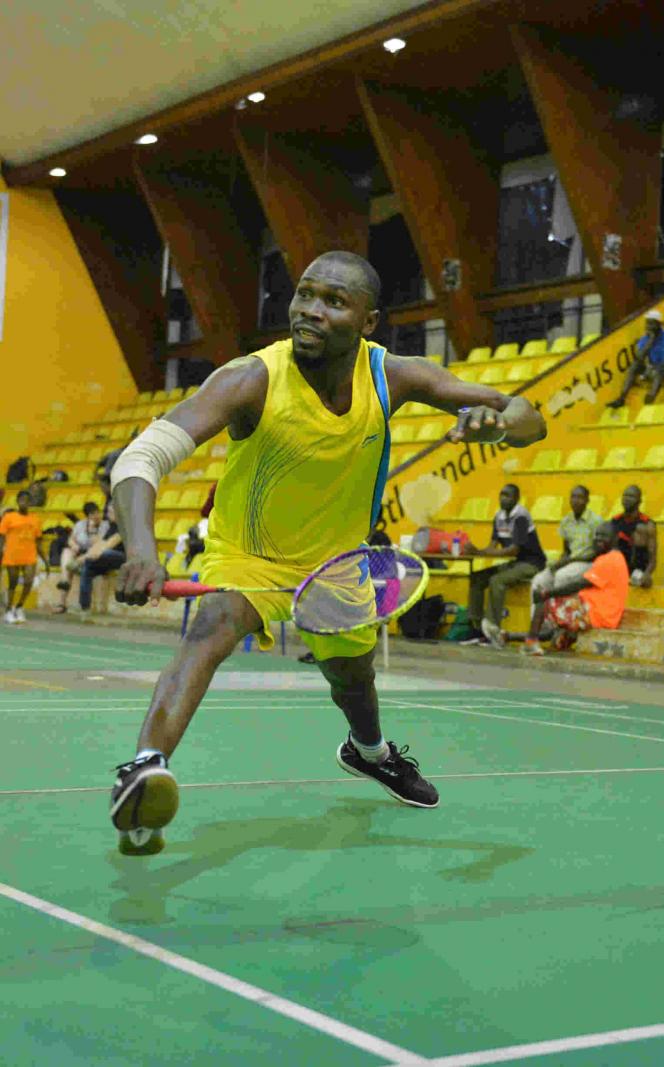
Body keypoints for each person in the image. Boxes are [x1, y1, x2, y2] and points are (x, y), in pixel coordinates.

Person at [109, 250, 546, 855]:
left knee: (353, 681)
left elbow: (529, 417)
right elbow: (141, 457)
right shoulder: (251, 379)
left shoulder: (395, 375)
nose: (310, 311)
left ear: (368, 322)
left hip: (337, 565)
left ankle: (370, 754)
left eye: (333, 301)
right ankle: (142, 774)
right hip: (250, 555)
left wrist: (495, 425)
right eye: (304, 295)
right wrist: (140, 549)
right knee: (211, 627)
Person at [460, 484, 546, 649]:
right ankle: (477, 630)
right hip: (515, 563)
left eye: (508, 496)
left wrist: (481, 553)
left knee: (497, 580)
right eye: (502, 495)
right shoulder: (498, 516)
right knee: (477, 578)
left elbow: (513, 550)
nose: (503, 499)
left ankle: (493, 630)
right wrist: (476, 551)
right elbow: (493, 546)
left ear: (516, 499)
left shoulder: (521, 517)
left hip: (532, 563)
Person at [525, 523, 628, 654]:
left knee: (544, 600)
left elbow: (580, 584)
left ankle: (531, 642)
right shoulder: (612, 557)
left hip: (596, 614)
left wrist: (547, 593)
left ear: (615, 538)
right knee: (555, 603)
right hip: (597, 611)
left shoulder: (610, 559)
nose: (598, 539)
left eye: (604, 536)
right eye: (597, 535)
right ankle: (554, 638)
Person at [528, 485, 602, 611]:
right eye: (573, 497)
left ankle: (558, 622)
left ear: (587, 500)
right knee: (539, 580)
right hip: (571, 563)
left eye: (580, 497)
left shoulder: (596, 521)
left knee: (562, 577)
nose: (576, 500)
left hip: (588, 563)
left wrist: (569, 561)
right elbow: (566, 550)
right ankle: (540, 626)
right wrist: (560, 562)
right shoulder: (566, 521)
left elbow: (596, 553)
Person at [606, 310, 664, 409]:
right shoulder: (645, 339)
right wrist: (650, 341)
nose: (648, 326)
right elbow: (639, 358)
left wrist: (656, 368)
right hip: (656, 371)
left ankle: (651, 398)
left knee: (661, 369)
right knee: (634, 366)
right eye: (647, 323)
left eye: (651, 323)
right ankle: (621, 399)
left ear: (658, 325)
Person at [0, 490, 49, 623]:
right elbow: (2, 538)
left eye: (27, 500)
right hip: (12, 555)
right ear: (17, 501)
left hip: (29, 555)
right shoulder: (8, 517)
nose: (24, 502)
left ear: (30, 502)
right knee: (13, 584)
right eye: (21, 500)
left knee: (28, 581)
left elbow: (38, 541)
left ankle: (19, 606)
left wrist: (45, 560)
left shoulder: (35, 519)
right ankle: (9, 610)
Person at [53, 501, 106, 614]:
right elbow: (71, 539)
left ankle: (62, 602)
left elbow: (98, 544)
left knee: (70, 567)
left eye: (97, 513)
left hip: (94, 555)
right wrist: (74, 545)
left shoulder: (105, 525)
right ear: (87, 516)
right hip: (79, 554)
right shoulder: (80, 525)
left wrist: (92, 529)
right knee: (67, 551)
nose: (96, 516)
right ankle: (64, 583)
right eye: (92, 514)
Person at [78, 502, 126, 621]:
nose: (107, 514)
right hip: (107, 559)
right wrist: (93, 530)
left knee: (103, 553)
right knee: (86, 570)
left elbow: (109, 545)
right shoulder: (111, 526)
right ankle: (85, 609)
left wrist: (86, 557)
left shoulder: (124, 527)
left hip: (122, 558)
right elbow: (98, 543)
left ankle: (85, 562)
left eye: (110, 512)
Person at [610, 485, 657, 588]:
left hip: (637, 574)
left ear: (639, 501)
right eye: (625, 495)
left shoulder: (648, 525)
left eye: (631, 496)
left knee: (646, 582)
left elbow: (652, 559)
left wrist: (647, 574)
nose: (627, 499)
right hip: (618, 573)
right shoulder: (615, 521)